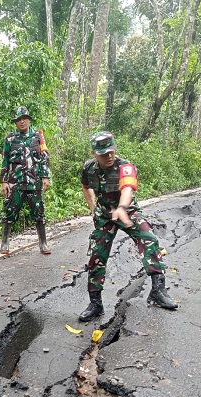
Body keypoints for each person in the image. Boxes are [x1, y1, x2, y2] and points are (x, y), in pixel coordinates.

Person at [78, 131, 178, 322]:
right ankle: (95, 303)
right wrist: (93, 208)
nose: (109, 156)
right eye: (103, 154)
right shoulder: (88, 168)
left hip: (128, 211)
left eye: (111, 152)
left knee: (150, 240)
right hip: (105, 215)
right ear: (94, 153)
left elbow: (127, 189)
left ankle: (158, 290)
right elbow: (85, 186)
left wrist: (122, 208)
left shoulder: (125, 166)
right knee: (96, 255)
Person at [0, 106, 52, 255]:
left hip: (34, 182)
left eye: (24, 119)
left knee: (39, 213)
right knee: (9, 212)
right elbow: (5, 160)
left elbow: (44, 158)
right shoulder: (10, 138)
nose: (21, 122)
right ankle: (4, 243)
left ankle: (43, 243)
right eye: (18, 120)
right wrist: (3, 181)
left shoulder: (38, 137)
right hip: (15, 182)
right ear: (15, 123)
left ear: (28, 120)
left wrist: (46, 177)